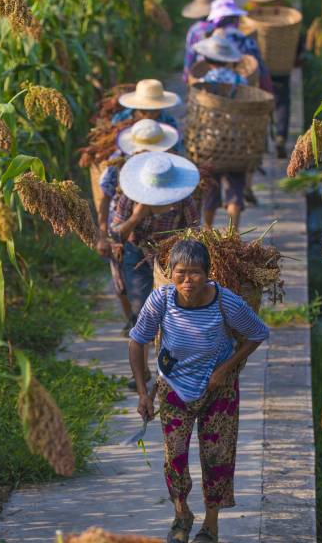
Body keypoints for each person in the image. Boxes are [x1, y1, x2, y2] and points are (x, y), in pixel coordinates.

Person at [128, 239, 269, 543]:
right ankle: (181, 516)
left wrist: (225, 369)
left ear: (208, 274)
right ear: (170, 273)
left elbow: (258, 333)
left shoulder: (225, 301)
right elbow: (136, 341)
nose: (187, 281)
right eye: (180, 273)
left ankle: (211, 527)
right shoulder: (161, 300)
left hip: (219, 391)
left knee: (217, 457)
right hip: (174, 390)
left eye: (195, 273)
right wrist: (143, 392)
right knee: (174, 457)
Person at [95, 80, 183, 335]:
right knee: (124, 282)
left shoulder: (170, 154)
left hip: (161, 239)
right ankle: (135, 322)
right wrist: (105, 231)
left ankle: (143, 329)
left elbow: (189, 214)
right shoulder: (121, 166)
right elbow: (106, 198)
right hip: (132, 237)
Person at [110, 151, 200, 389]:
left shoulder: (183, 200)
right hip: (136, 252)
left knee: (173, 314)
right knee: (142, 310)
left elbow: (195, 230)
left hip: (170, 257)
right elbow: (116, 231)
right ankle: (143, 371)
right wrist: (137, 217)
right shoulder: (129, 199)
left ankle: (170, 368)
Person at [240, 0, 301, 159]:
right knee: (282, 100)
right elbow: (297, 33)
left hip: (259, 65)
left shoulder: (249, 10)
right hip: (282, 63)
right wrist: (298, 55)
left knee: (260, 100)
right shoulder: (286, 7)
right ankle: (281, 136)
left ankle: (262, 139)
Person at [191, 32, 249, 229]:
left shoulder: (204, 82)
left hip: (211, 142)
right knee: (235, 189)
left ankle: (207, 229)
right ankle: (233, 233)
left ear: (208, 59)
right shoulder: (240, 81)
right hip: (235, 142)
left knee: (210, 188)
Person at [184, 0, 273, 94]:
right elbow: (261, 69)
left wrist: (186, 78)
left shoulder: (207, 38)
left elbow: (190, 58)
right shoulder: (246, 41)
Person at [181, 0, 215, 83]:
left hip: (200, 69)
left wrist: (186, 74)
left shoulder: (195, 30)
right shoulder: (220, 26)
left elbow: (190, 54)